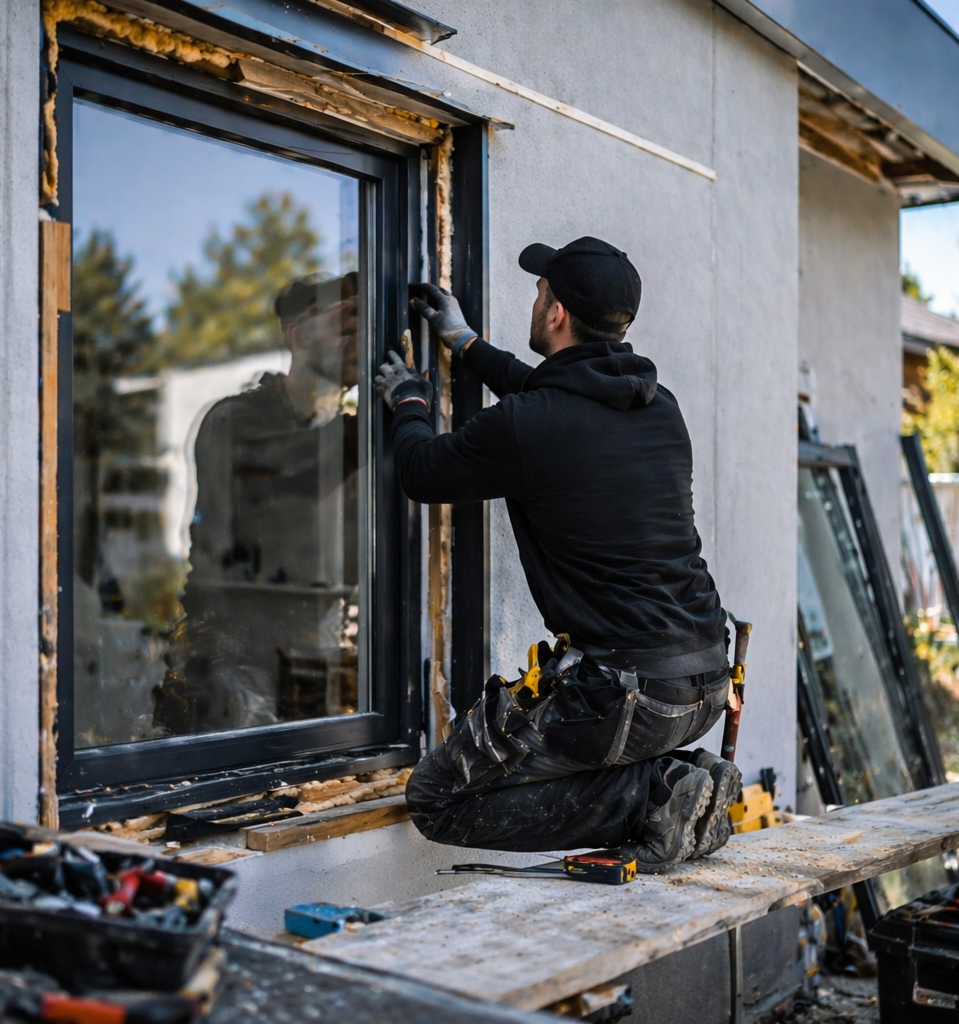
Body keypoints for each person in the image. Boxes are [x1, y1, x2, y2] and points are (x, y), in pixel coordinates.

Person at [372, 238, 740, 871]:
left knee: (437, 798)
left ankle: (654, 798)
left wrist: (409, 402)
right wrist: (466, 344)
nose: (535, 299)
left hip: (624, 696)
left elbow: (424, 472)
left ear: (557, 313)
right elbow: (549, 397)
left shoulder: (532, 423)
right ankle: (682, 779)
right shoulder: (658, 406)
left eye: (540, 291)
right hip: (705, 682)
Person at [154, 272, 362, 736]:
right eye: (343, 320)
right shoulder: (235, 420)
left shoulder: (355, 436)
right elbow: (296, 465)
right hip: (234, 655)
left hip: (317, 656)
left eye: (363, 322)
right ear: (298, 335)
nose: (357, 334)